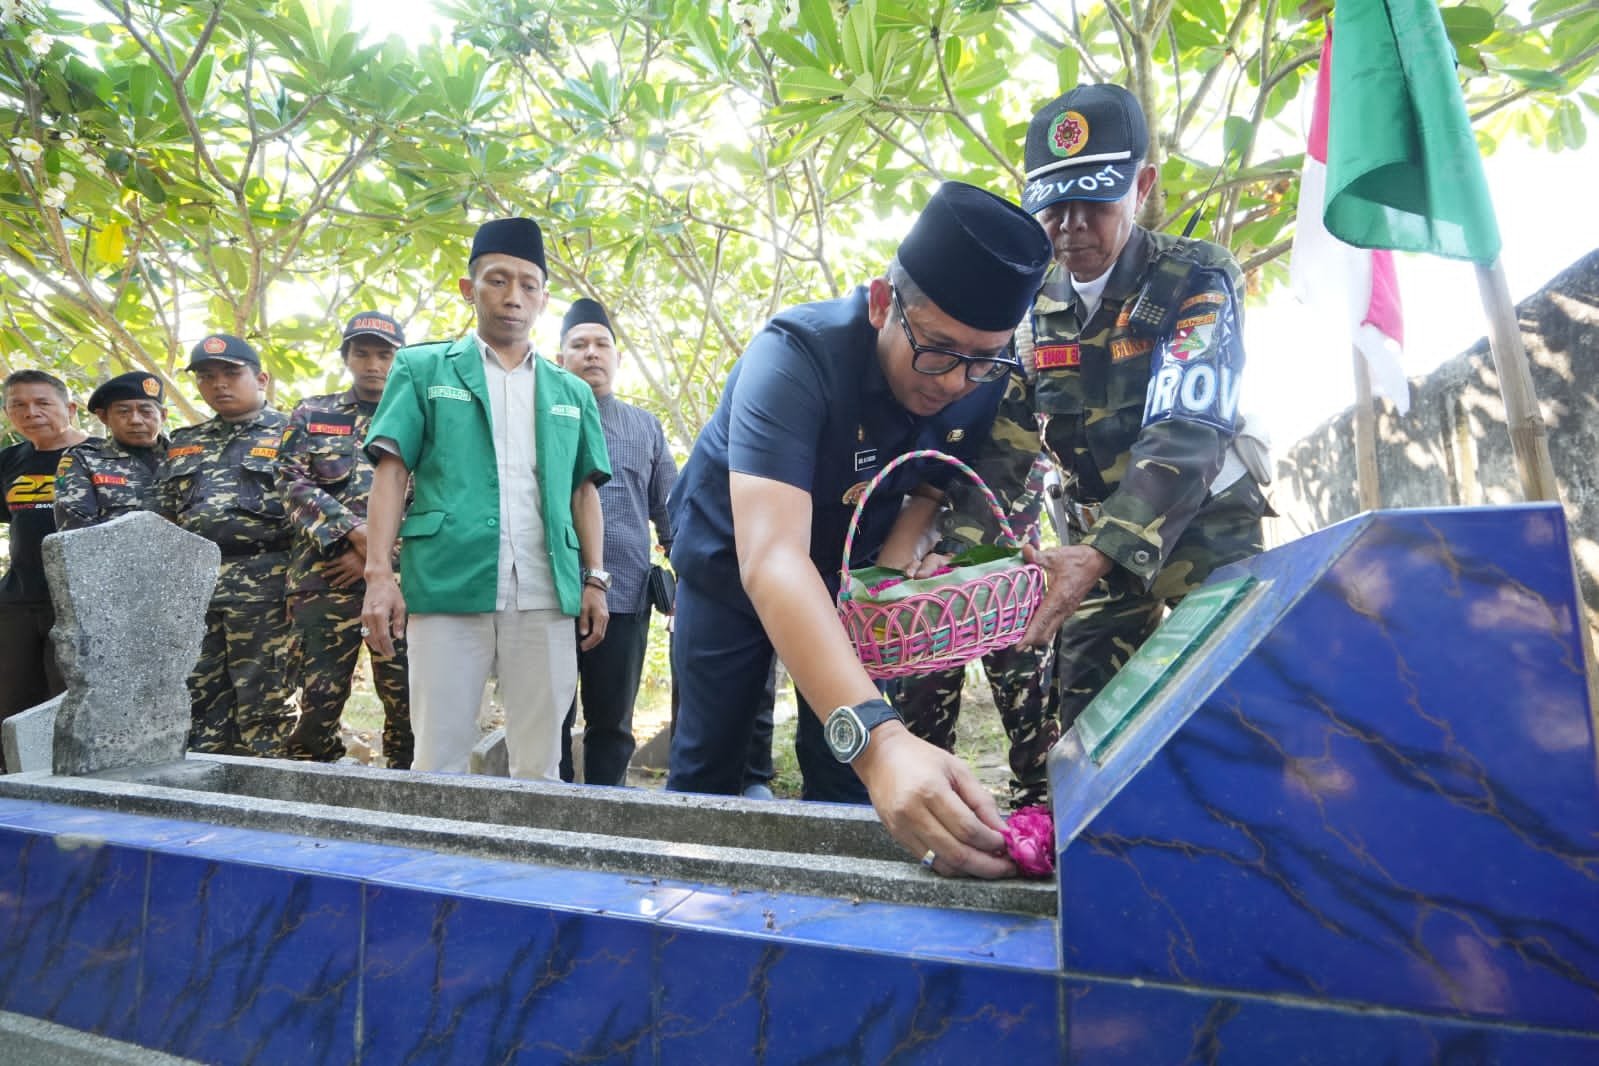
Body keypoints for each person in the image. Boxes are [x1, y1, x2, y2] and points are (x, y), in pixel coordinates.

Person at [666, 181, 1052, 878]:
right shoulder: (793, 357)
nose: (955, 381)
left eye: (981, 358)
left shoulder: (984, 374)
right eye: (936, 350)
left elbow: (937, 475)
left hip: (851, 578)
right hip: (734, 567)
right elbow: (773, 557)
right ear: (882, 303)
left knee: (846, 777)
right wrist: (879, 741)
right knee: (708, 765)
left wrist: (899, 559)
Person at [929, 84, 1271, 737]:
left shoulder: (1194, 275)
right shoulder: (1030, 309)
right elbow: (1002, 456)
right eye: (1055, 204)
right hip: (1089, 544)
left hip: (1203, 527)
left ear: (1140, 186)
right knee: (1085, 723)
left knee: (1242, 704)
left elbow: (1186, 427)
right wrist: (955, 564)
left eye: (1094, 200)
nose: (1072, 224)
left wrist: (1101, 550)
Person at [360, 217, 612, 781]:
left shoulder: (570, 390)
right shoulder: (423, 368)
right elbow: (392, 471)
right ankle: (436, 869)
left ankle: (530, 865)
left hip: (547, 591)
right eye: (497, 280)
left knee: (542, 762)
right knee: (439, 759)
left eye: (527, 285)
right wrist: (380, 576)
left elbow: (583, 489)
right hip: (449, 582)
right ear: (468, 289)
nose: (513, 297)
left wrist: (595, 577)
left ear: (544, 299)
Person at [278, 312, 414, 769]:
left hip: (400, 582)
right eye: (362, 353)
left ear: (400, 359)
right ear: (346, 357)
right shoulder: (312, 413)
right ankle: (313, 795)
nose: (373, 364)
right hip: (323, 580)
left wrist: (377, 559)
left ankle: (409, 790)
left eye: (384, 354)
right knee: (315, 701)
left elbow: (435, 496)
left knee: (409, 698)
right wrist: (353, 535)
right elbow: (291, 482)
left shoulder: (420, 414)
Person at [885, 453, 1056, 809]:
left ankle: (1041, 804)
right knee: (923, 691)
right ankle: (933, 800)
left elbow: (1020, 449)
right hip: (928, 548)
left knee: (1026, 680)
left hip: (1006, 538)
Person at [155, 333, 297, 756]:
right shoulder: (183, 441)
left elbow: (316, 514)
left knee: (266, 701)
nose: (219, 384)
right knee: (199, 699)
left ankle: (267, 804)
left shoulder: (294, 433)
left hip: (268, 585)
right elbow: (165, 519)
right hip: (196, 589)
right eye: (206, 376)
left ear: (261, 378)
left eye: (231, 374)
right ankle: (206, 798)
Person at [555, 298, 677, 787]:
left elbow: (670, 510)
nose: (591, 354)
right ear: (559, 356)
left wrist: (686, 575)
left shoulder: (644, 426)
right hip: (552, 592)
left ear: (617, 356)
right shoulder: (543, 417)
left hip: (625, 594)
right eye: (578, 345)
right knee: (550, 719)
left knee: (613, 723)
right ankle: (553, 816)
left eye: (601, 344)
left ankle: (608, 816)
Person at [1, 370, 88, 759]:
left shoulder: (103, 455)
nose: (30, 412)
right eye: (18, 405)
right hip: (18, 601)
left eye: (42, 403)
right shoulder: (9, 461)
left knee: (69, 703)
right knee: (12, 701)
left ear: (68, 408)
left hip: (80, 602)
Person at [54, 370, 169, 531]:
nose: (135, 420)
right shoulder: (83, 460)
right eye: (123, 412)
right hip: (112, 555)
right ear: (104, 417)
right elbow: (76, 531)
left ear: (163, 415)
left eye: (146, 411)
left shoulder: (185, 458)